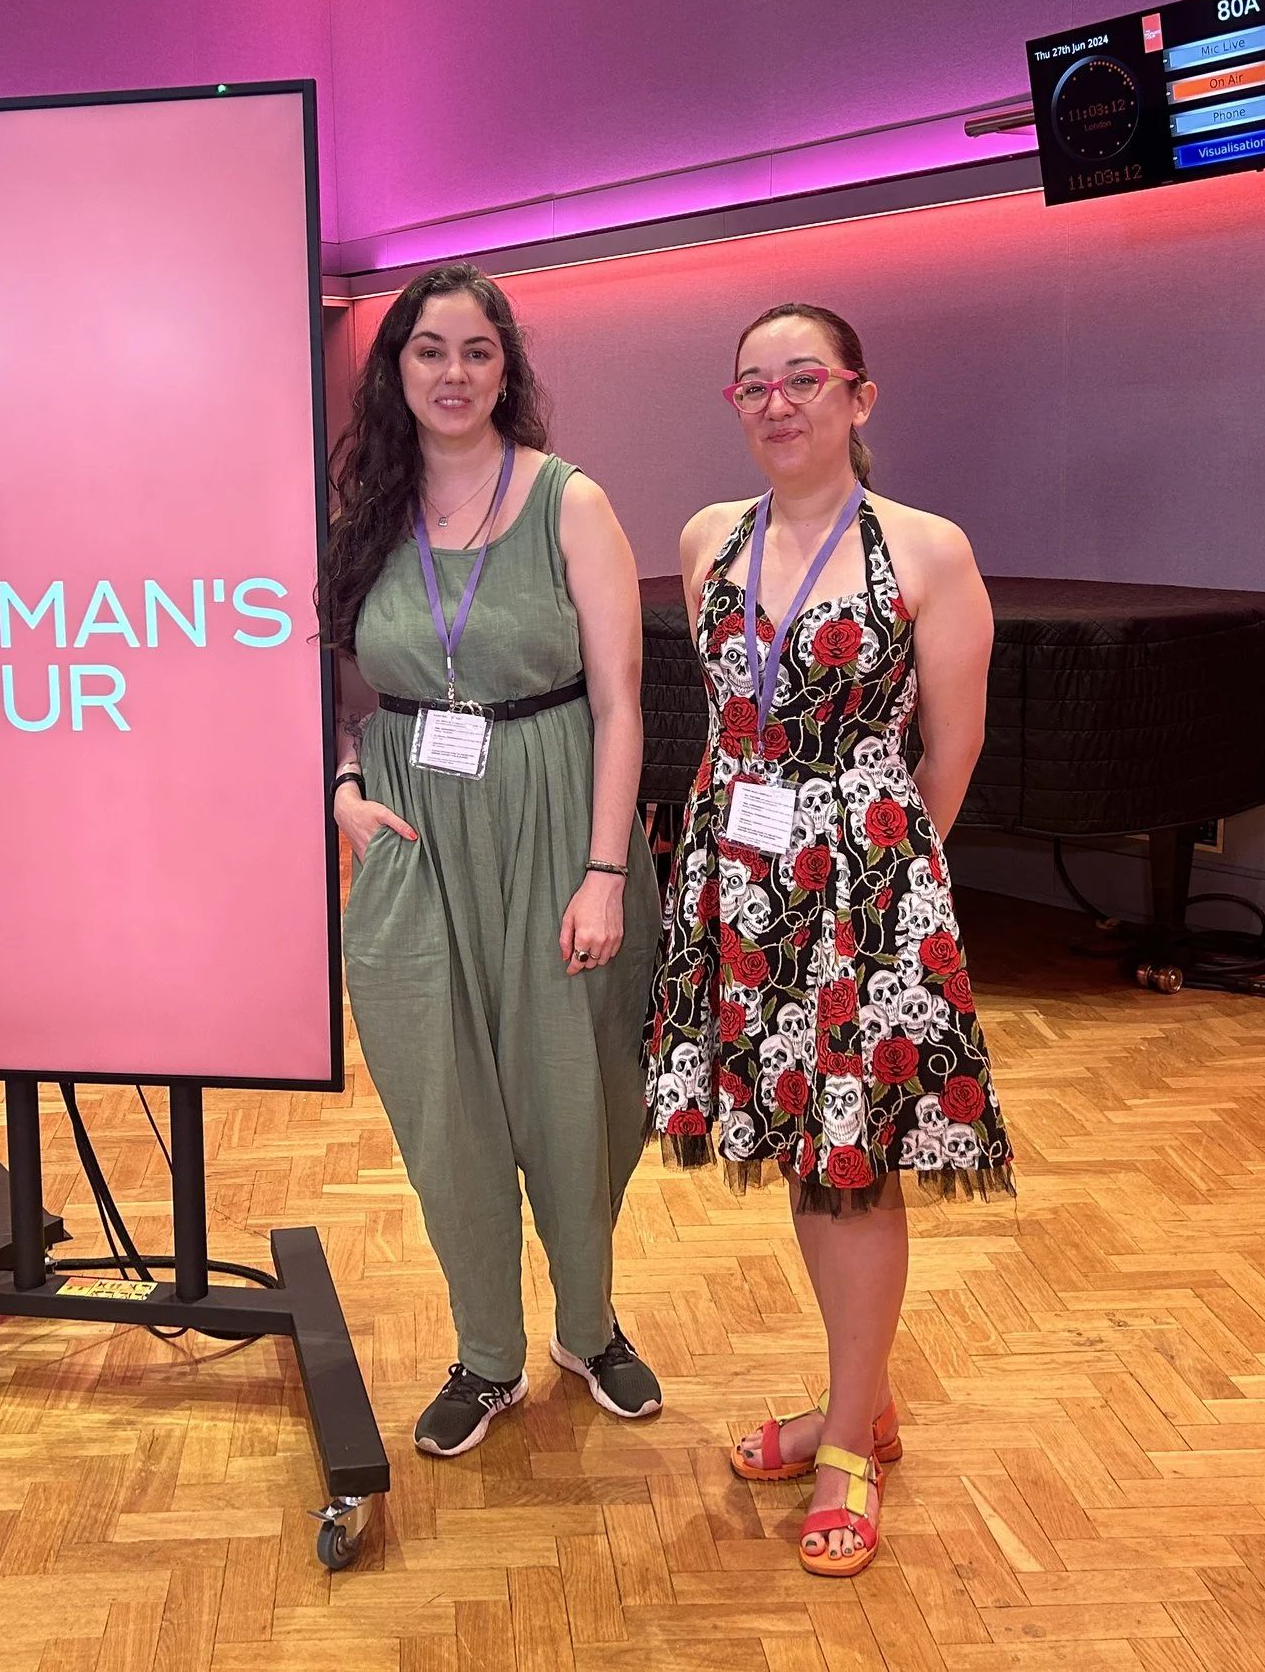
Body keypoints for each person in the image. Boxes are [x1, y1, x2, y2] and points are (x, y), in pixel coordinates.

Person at [646, 302, 1014, 1575]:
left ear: (860, 397)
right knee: (810, 1149)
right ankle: (859, 1399)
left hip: (860, 884)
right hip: (734, 876)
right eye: (751, 384)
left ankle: (846, 1445)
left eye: (804, 378)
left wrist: (885, 864)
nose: (777, 402)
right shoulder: (707, 540)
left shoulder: (924, 548)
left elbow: (952, 746)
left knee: (852, 1164)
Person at [322, 262, 662, 1458]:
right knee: (442, 1098)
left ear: (504, 366)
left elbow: (622, 702)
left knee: (583, 1092)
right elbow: (329, 682)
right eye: (428, 350)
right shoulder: (365, 504)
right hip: (415, 831)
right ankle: (485, 1352)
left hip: (560, 811)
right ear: (395, 368)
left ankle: (589, 1320)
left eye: (475, 351)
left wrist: (605, 869)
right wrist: (345, 788)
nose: (452, 373)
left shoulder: (570, 501)